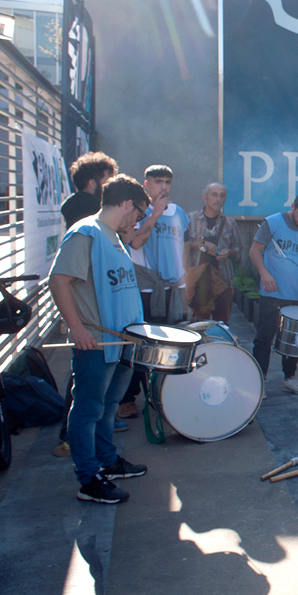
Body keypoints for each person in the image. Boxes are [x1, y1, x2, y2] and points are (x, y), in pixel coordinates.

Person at [49, 174, 151, 503]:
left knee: (108, 408)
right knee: (88, 410)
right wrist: (77, 328)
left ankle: (108, 462)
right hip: (95, 343)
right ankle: (88, 478)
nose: (138, 220)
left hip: (121, 342)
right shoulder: (85, 234)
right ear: (126, 204)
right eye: (139, 212)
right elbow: (59, 280)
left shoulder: (114, 237)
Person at [115, 164, 189, 420]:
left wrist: (184, 275)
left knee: (169, 346)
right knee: (140, 346)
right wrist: (154, 213)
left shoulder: (179, 212)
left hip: (173, 289)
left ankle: (163, 395)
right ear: (146, 184)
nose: (164, 187)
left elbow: (185, 244)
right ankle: (128, 398)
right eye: (159, 181)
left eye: (168, 182)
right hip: (145, 288)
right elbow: (135, 241)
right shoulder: (137, 211)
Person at [249, 190, 298, 396]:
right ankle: (259, 380)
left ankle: (290, 378)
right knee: (264, 337)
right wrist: (264, 273)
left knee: (294, 341)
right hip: (272, 292)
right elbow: (255, 250)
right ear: (293, 207)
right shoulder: (273, 222)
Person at [184, 183, 242, 323]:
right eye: (214, 195)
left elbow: (239, 250)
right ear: (205, 197)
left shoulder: (230, 223)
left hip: (223, 281)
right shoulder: (190, 219)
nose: (218, 199)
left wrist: (229, 252)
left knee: (222, 325)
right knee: (198, 325)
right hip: (198, 281)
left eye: (222, 196)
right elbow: (181, 247)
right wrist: (200, 244)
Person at [62, 152, 117, 227]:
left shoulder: (68, 205)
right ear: (92, 184)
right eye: (108, 181)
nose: (112, 186)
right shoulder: (97, 208)